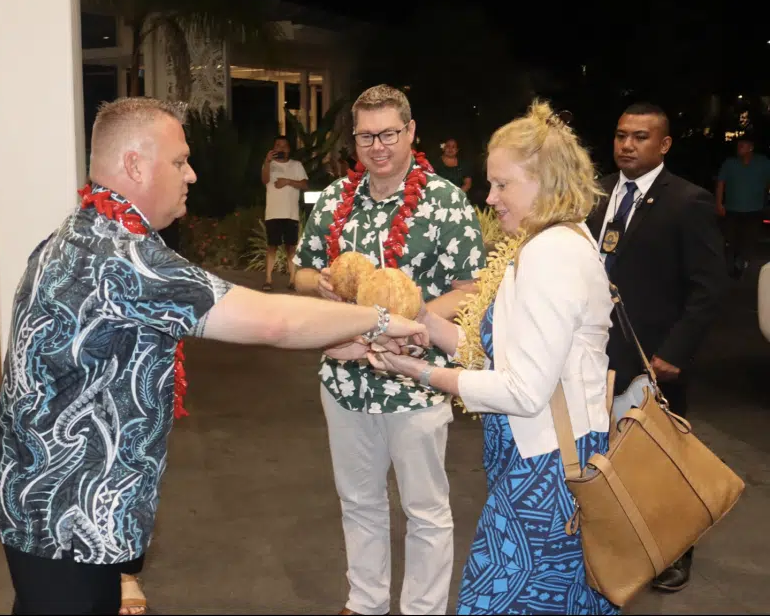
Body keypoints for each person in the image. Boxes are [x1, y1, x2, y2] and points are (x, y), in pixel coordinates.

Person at [0, 97, 432, 615]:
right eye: (179, 161)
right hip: (62, 512)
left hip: (42, 497)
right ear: (134, 165)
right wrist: (379, 319)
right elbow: (271, 320)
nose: (191, 174)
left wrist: (338, 340)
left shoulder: (85, 233)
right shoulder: (122, 257)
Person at [366, 100, 618, 615]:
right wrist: (428, 328)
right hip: (548, 459)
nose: (490, 197)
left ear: (546, 182)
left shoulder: (549, 256)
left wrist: (420, 372)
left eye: (503, 184)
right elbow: (507, 356)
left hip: (545, 474)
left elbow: (523, 392)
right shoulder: (555, 242)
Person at [293, 84, 485, 616]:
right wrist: (322, 284)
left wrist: (414, 320)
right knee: (359, 501)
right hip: (345, 377)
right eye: (366, 136)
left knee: (425, 508)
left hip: (417, 380)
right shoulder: (335, 200)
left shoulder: (445, 202)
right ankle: (366, 601)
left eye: (389, 134)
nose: (378, 147)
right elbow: (300, 270)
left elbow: (471, 288)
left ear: (411, 133)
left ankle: (423, 609)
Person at [586, 102, 728, 592]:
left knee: (660, 459)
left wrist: (676, 351)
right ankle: (614, 545)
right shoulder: (595, 193)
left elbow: (709, 286)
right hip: (594, 354)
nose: (627, 145)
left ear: (664, 145)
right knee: (602, 456)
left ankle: (673, 550)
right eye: (621, 135)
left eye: (640, 137)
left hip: (654, 359)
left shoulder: (686, 201)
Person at [716, 135, 769, 278]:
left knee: (749, 239)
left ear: (750, 147)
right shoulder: (730, 163)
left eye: (742, 146)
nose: (739, 148)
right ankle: (731, 264)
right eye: (738, 145)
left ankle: (742, 262)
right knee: (730, 239)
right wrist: (719, 203)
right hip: (732, 209)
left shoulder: (762, 163)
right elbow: (721, 182)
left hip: (754, 209)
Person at [261, 135, 308, 291]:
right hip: (273, 213)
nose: (280, 148)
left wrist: (287, 181)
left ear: (289, 149)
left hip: (290, 213)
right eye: (277, 145)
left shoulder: (296, 165)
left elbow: (304, 184)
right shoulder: (270, 165)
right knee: (272, 246)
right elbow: (264, 179)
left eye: (284, 145)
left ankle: (293, 280)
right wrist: (267, 162)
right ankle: (268, 279)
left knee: (291, 247)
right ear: (273, 148)